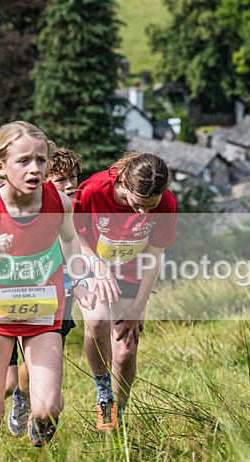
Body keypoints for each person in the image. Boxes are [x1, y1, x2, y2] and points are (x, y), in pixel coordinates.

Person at [0, 122, 95, 462]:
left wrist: (79, 281)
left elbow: (71, 243)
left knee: (48, 407)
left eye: (41, 160)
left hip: (43, 315)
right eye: (24, 161)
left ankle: (35, 423)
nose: (35, 169)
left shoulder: (58, 203)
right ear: (1, 166)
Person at [73, 152, 177, 431]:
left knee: (126, 351)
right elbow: (73, 233)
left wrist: (136, 308)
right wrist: (96, 265)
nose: (143, 213)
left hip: (133, 272)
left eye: (151, 206)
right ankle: (104, 394)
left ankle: (119, 414)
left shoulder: (166, 204)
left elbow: (155, 256)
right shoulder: (94, 190)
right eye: (138, 204)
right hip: (90, 262)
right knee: (96, 321)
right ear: (124, 183)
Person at [6, 148, 82, 438]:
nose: (70, 185)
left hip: (59, 300)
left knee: (46, 364)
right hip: (20, 299)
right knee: (23, 369)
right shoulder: (31, 208)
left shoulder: (72, 208)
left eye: (73, 177)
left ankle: (41, 412)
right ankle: (22, 397)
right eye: (61, 179)